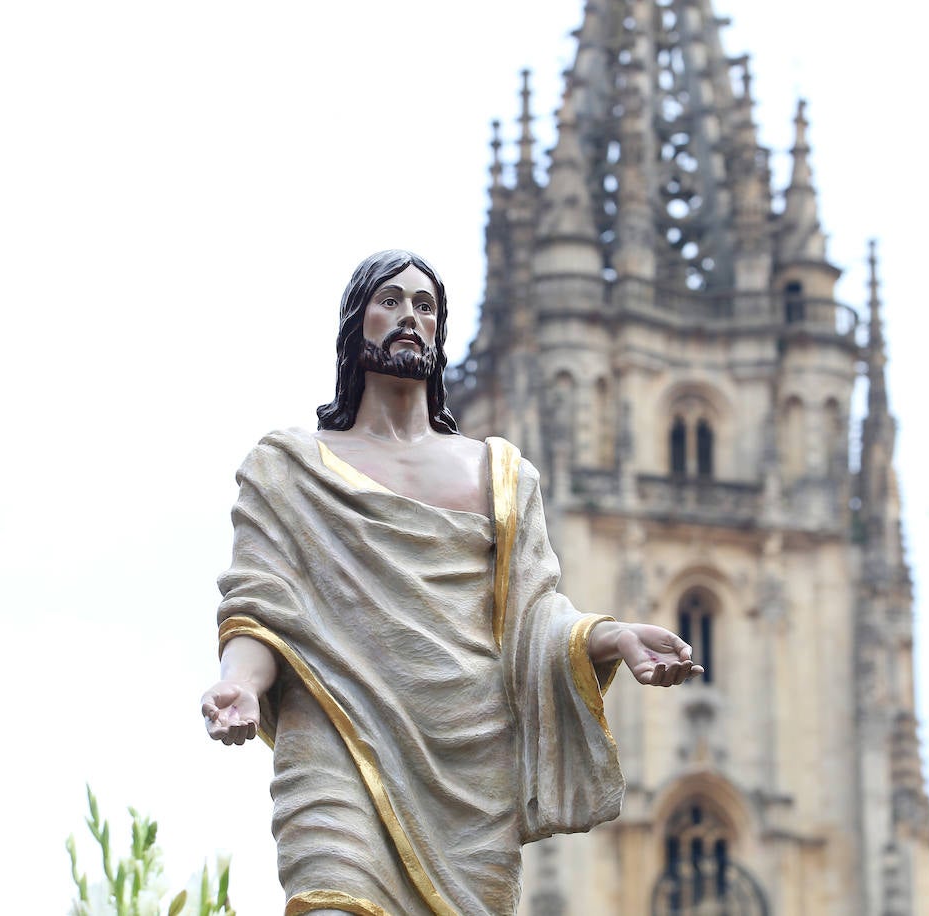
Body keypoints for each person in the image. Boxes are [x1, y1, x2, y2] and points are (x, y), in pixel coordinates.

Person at [201, 250, 704, 916]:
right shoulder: (289, 468)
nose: (409, 315)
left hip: (471, 770)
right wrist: (240, 681)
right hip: (338, 739)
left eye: (426, 305)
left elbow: (533, 618)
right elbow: (261, 609)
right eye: (390, 300)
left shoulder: (500, 474)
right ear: (356, 323)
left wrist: (610, 637)